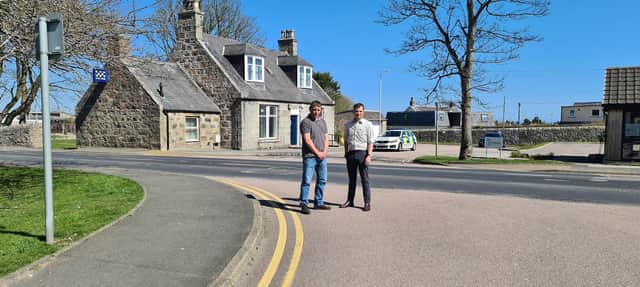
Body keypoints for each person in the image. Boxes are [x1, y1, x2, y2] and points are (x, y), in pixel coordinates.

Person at [340, 103, 374, 211]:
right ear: (353, 112)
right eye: (356, 111)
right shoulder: (348, 125)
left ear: (363, 112)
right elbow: (345, 140)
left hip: (362, 153)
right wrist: (346, 153)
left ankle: (367, 203)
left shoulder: (368, 124)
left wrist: (368, 155)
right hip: (351, 154)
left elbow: (370, 142)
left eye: (360, 111)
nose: (358, 113)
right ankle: (350, 201)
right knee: (352, 179)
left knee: (365, 180)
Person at [298, 100, 330, 214]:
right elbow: (307, 140)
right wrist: (317, 153)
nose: (316, 112)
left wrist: (324, 152)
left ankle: (318, 202)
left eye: (318, 110)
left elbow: (326, 138)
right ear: (310, 110)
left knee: (322, 180)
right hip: (310, 156)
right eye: (314, 110)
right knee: (307, 180)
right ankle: (303, 203)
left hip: (322, 157)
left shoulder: (323, 122)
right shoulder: (305, 122)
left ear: (320, 110)